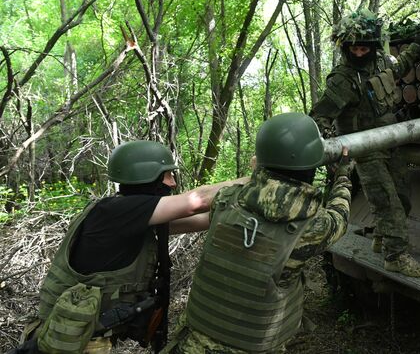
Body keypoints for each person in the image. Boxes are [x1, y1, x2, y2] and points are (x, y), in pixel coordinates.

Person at [13, 140, 247, 354]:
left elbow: (203, 220)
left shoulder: (130, 218)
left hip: (78, 337)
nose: (173, 183)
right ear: (147, 175)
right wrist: (259, 178)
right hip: (65, 340)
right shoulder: (115, 212)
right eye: (168, 176)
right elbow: (198, 202)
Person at [162, 112, 353, 353]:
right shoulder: (314, 226)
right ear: (313, 166)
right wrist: (343, 175)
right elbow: (340, 216)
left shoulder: (226, 199)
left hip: (192, 343)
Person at [310, 9, 420, 277]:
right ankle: (396, 257)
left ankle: (382, 236)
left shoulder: (381, 63)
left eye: (365, 49)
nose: (359, 54)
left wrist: (417, 45)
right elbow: (320, 116)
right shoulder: (343, 79)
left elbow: (400, 67)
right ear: (346, 47)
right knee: (388, 203)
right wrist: (332, 152)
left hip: (389, 142)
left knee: (403, 196)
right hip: (365, 150)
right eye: (355, 49)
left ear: (374, 47)